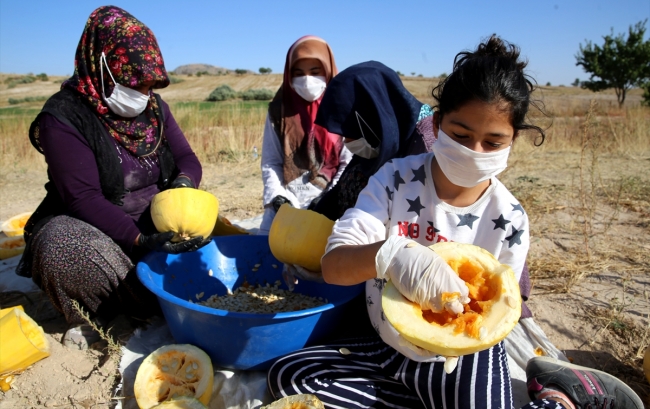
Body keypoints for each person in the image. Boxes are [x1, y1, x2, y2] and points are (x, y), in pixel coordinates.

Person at [267, 36, 644, 408]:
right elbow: (334, 265)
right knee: (288, 377)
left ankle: (559, 399)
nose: (473, 151)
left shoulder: (509, 218)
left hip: (461, 360)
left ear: (514, 140)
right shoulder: (393, 180)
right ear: (437, 122)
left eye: (493, 143)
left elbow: (500, 314)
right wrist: (390, 254)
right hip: (386, 344)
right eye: (460, 135)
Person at [15, 5, 208, 349]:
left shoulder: (155, 109)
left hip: (158, 231)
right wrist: (138, 240)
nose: (145, 93)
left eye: (151, 84)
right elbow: (82, 197)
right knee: (61, 247)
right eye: (136, 82)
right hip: (102, 235)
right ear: (102, 66)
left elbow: (187, 159)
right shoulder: (63, 117)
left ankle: (144, 302)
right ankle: (103, 310)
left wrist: (183, 187)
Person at [309, 60, 435, 222]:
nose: (347, 140)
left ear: (370, 115)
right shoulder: (381, 134)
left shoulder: (426, 146)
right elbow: (344, 185)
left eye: (349, 131)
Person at [257, 35, 352, 235]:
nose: (307, 79)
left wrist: (329, 199)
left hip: (332, 202)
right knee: (270, 255)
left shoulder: (343, 109)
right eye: (298, 73)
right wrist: (277, 197)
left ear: (328, 71)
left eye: (315, 72)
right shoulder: (278, 110)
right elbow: (271, 161)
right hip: (287, 204)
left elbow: (348, 163)